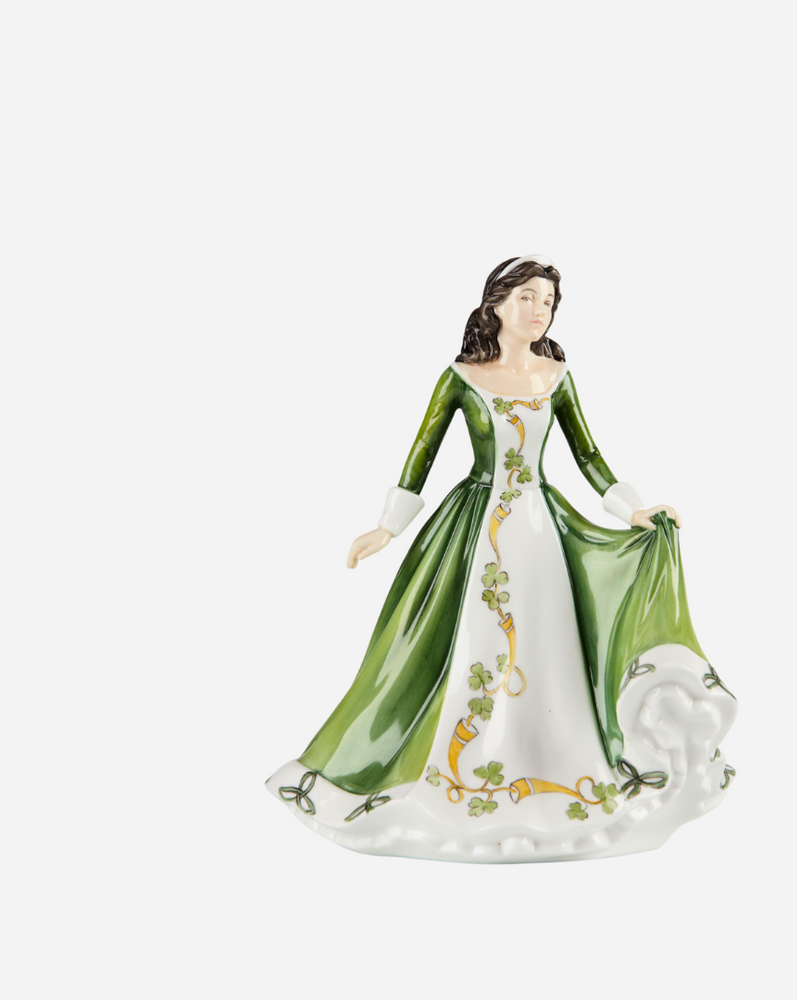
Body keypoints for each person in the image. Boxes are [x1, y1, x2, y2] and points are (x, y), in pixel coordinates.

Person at [266, 255, 737, 862]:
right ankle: (464, 768)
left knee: (547, 641)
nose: (539, 311)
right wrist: (387, 527)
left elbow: (588, 456)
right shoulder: (462, 377)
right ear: (496, 303)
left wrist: (633, 509)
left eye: (548, 302)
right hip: (478, 528)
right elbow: (422, 453)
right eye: (528, 298)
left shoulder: (557, 376)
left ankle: (556, 762)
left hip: (539, 531)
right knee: (475, 642)